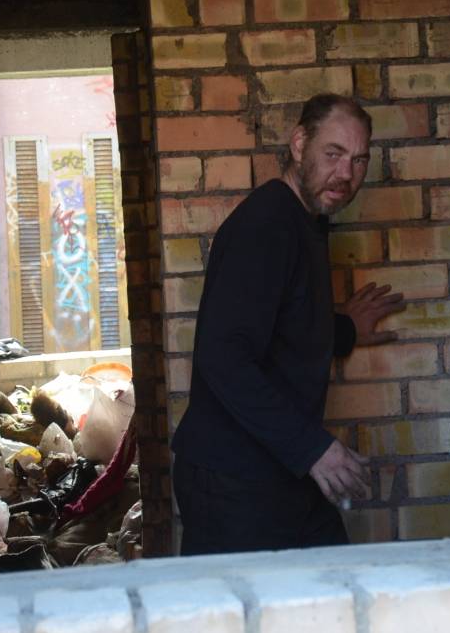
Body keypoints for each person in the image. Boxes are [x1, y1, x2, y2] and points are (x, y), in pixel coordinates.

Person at [172, 94, 404, 555]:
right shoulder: (266, 226)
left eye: (359, 160)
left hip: (279, 468)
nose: (346, 173)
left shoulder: (303, 222)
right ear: (299, 145)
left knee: (332, 580)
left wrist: (345, 330)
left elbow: (283, 322)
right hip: (234, 482)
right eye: (333, 153)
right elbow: (225, 355)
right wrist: (312, 448)